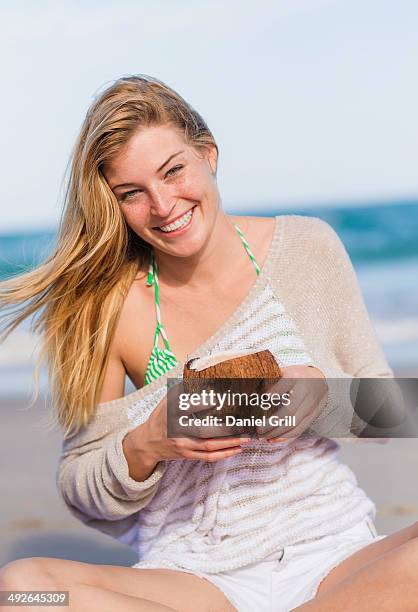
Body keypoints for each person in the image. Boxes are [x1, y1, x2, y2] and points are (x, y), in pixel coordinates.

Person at [0, 74, 415, 612]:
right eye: (133, 193)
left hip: (333, 556)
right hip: (197, 579)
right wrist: (148, 441)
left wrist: (320, 400)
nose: (164, 204)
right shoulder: (107, 308)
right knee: (28, 590)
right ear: (115, 203)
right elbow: (83, 488)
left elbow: (391, 412)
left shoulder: (306, 247)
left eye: (174, 171)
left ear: (208, 154)